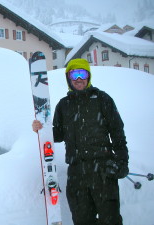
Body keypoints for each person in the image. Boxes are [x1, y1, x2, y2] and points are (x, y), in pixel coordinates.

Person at [32, 58, 129, 225]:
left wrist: (122, 162)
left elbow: (118, 133)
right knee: (82, 219)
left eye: (82, 73)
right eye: (74, 74)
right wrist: (41, 129)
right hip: (77, 172)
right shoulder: (64, 105)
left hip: (103, 170)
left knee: (110, 219)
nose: (78, 78)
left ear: (88, 76)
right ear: (68, 78)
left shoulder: (103, 99)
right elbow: (58, 134)